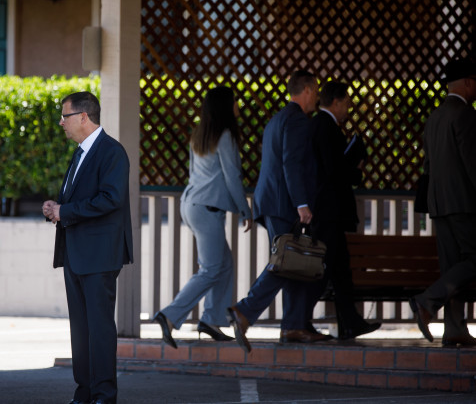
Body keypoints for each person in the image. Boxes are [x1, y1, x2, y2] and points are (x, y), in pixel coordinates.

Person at [228, 70, 331, 352]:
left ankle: (294, 326)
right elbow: (292, 163)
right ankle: (245, 312)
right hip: (285, 203)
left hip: (272, 200)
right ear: (308, 90)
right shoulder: (298, 120)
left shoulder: (277, 119)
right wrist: (302, 203)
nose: (317, 97)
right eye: (316, 90)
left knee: (293, 261)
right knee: (286, 261)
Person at [42, 91, 133, 404]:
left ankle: (104, 396)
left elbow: (111, 199)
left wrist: (64, 212)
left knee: (99, 330)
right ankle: (84, 393)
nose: (61, 123)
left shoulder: (112, 152)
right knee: (80, 331)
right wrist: (57, 206)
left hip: (99, 257)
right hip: (75, 255)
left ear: (83, 117)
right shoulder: (80, 153)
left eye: (65, 116)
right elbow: (81, 198)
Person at [153, 86, 253, 349]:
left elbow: (193, 172)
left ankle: (211, 320)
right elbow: (232, 176)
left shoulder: (200, 134)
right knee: (210, 270)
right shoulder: (226, 135)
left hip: (191, 204)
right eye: (234, 101)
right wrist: (245, 209)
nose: (237, 106)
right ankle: (169, 315)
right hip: (206, 208)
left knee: (225, 264)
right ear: (225, 106)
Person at [409, 57, 476, 347]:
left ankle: (455, 329)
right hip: (464, 203)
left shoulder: (434, 117)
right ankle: (427, 301)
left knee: (452, 267)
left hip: (438, 204)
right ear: (467, 83)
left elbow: (428, 165)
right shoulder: (466, 115)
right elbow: (473, 163)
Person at [308, 81, 381, 339]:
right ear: (336, 101)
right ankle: (301, 319)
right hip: (329, 209)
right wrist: (355, 169)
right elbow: (333, 170)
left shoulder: (320, 125)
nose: (348, 109)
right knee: (327, 267)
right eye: (347, 103)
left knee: (338, 268)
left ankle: (350, 322)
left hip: (327, 209)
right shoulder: (327, 127)